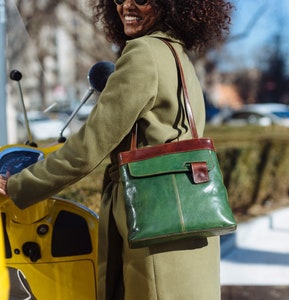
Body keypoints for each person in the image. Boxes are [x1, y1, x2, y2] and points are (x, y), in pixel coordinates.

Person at [0, 0, 233, 299]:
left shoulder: (143, 54)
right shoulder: (176, 55)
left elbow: (88, 148)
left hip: (153, 227)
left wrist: (19, 185)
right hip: (188, 226)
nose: (126, 6)